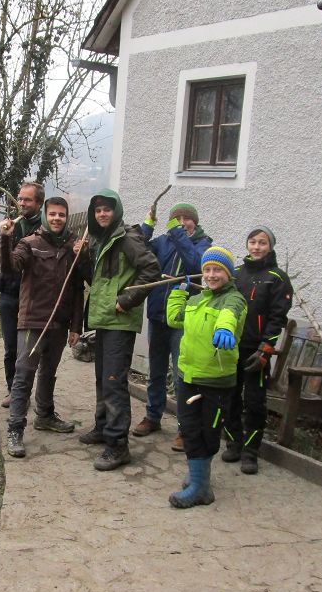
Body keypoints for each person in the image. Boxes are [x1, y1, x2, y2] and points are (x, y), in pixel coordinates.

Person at [76, 189, 162, 471]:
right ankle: (103, 428)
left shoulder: (127, 238)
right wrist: (83, 257)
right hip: (104, 319)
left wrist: (126, 300)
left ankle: (118, 445)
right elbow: (96, 280)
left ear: (117, 211)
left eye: (107, 209)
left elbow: (151, 271)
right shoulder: (99, 240)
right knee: (103, 378)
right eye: (98, 210)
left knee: (114, 381)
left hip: (120, 320)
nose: (102, 214)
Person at [0, 196, 83, 458]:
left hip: (60, 323)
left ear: (66, 217)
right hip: (33, 321)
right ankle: (15, 429)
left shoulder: (72, 246)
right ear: (46, 215)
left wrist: (76, 326)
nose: (57, 218)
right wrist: (5, 239)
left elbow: (77, 288)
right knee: (24, 374)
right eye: (53, 214)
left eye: (62, 214)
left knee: (49, 371)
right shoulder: (29, 243)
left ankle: (44, 415)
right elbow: (9, 268)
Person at [166, 246, 247, 508]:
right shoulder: (197, 299)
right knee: (189, 429)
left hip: (215, 380)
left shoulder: (233, 299)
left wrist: (225, 329)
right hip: (188, 375)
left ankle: (201, 487)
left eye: (217, 270)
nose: (211, 275)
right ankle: (197, 475)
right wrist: (178, 294)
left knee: (207, 432)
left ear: (228, 273)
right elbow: (174, 319)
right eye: (207, 270)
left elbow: (229, 315)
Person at [134, 202, 212, 447]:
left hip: (183, 320)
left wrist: (178, 234)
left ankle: (185, 428)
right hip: (158, 315)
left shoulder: (203, 244)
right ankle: (152, 417)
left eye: (187, 218)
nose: (182, 223)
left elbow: (195, 265)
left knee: (181, 376)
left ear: (195, 222)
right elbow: (138, 249)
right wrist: (147, 225)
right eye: (177, 219)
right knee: (155, 371)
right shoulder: (162, 242)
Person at [221, 226, 293, 474]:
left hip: (256, 352)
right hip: (232, 348)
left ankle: (251, 452)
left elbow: (277, 317)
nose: (257, 247)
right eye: (253, 242)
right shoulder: (236, 274)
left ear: (270, 246)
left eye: (262, 242)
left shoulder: (277, 278)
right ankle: (233, 443)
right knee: (229, 398)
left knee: (254, 402)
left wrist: (266, 348)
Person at [0, 181, 45, 408]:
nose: (21, 203)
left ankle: (28, 392)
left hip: (34, 296)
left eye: (27, 199)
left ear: (39, 203)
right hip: (9, 294)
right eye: (20, 198)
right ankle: (14, 392)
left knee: (29, 349)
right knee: (11, 348)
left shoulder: (44, 228)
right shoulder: (13, 224)